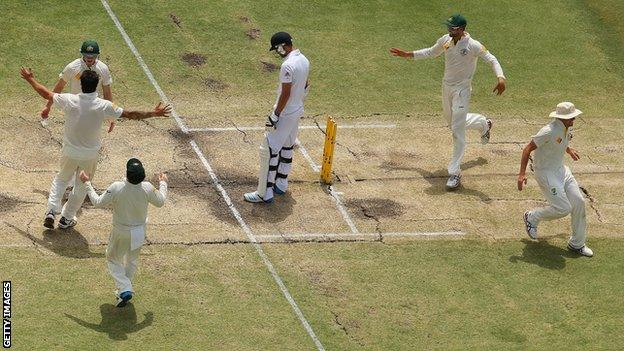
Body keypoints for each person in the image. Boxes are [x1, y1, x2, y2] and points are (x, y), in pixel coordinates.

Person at [20, 67, 171, 229]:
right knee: (81, 186)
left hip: (69, 151)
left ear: (81, 84)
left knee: (61, 179)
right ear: (97, 85)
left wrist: (30, 79)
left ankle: (51, 210)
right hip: (89, 156)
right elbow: (130, 114)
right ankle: (66, 218)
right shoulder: (103, 105)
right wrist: (154, 113)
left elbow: (46, 93)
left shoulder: (70, 99)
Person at [390, 14, 506, 189]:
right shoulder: (446, 40)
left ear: (461, 29)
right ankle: (484, 123)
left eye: (452, 28)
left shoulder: (473, 45)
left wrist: (501, 77)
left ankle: (455, 172)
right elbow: (431, 51)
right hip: (447, 87)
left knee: (457, 131)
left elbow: (492, 59)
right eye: (449, 27)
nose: (449, 30)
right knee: (453, 124)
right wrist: (408, 54)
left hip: (462, 90)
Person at [79, 159, 168, 307]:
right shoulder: (147, 187)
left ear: (127, 174)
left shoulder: (117, 187)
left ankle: (125, 288)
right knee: (131, 260)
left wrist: (87, 183)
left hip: (121, 231)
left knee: (112, 258)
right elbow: (160, 202)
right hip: (140, 231)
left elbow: (97, 202)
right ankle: (123, 291)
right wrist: (163, 183)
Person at [517, 102, 593, 257]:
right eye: (571, 117)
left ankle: (577, 244)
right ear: (562, 118)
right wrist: (521, 174)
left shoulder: (567, 127)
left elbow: (560, 142)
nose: (574, 120)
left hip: (561, 170)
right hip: (545, 173)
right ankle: (532, 217)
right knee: (563, 208)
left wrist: (569, 150)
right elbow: (527, 149)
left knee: (579, 202)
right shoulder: (548, 131)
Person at [244, 31, 310, 203]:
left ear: (283, 46)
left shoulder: (287, 66)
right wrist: (298, 101)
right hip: (297, 110)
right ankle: (281, 184)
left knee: (268, 150)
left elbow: (285, 94)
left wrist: (275, 114)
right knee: (287, 146)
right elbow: (306, 85)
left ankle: (264, 194)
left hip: (286, 112)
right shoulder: (304, 59)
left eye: (277, 49)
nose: (277, 53)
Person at [41, 40, 116, 133]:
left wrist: (111, 115)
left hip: (94, 106)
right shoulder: (72, 67)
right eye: (87, 55)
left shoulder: (103, 69)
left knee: (91, 133)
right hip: (75, 105)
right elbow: (59, 86)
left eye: (92, 55)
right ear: (82, 54)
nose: (89, 58)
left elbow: (107, 92)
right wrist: (48, 106)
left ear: (97, 55)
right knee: (74, 132)